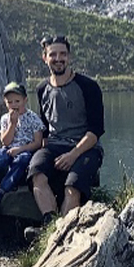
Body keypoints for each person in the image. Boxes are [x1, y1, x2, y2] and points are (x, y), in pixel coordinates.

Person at [29, 34, 104, 221]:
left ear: (69, 57)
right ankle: (50, 224)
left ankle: (63, 230)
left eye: (63, 54)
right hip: (54, 145)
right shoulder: (42, 89)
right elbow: (44, 127)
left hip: (86, 148)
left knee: (72, 186)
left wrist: (73, 155)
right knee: (37, 172)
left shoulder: (88, 86)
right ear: (44, 58)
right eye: (53, 54)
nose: (58, 59)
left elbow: (96, 131)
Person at [0, 80, 44, 217]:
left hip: (25, 150)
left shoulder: (33, 118)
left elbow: (38, 143)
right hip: (8, 149)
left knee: (22, 161)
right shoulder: (5, 119)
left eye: (17, 101)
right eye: (10, 102)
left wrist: (20, 149)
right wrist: (12, 124)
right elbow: (5, 141)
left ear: (25, 100)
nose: (13, 105)